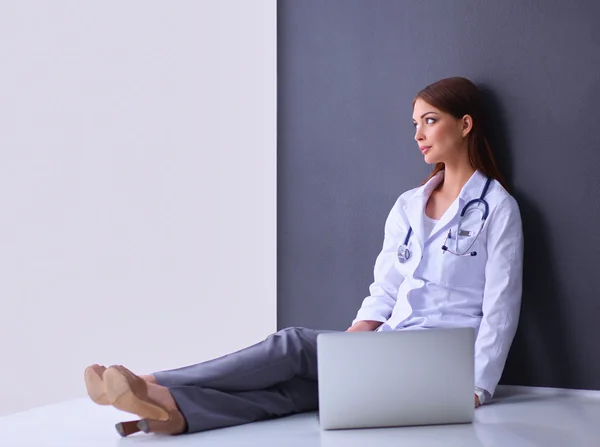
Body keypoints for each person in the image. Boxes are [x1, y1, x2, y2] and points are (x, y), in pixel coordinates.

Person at [84, 76, 524, 437]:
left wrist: (476, 386)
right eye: (415, 124)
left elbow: (501, 307)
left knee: (292, 346)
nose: (419, 134)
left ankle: (154, 382)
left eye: (430, 121)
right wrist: (354, 337)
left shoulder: (497, 208)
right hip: (391, 346)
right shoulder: (409, 204)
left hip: (440, 363)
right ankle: (173, 412)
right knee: (299, 392)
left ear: (465, 125)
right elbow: (387, 286)